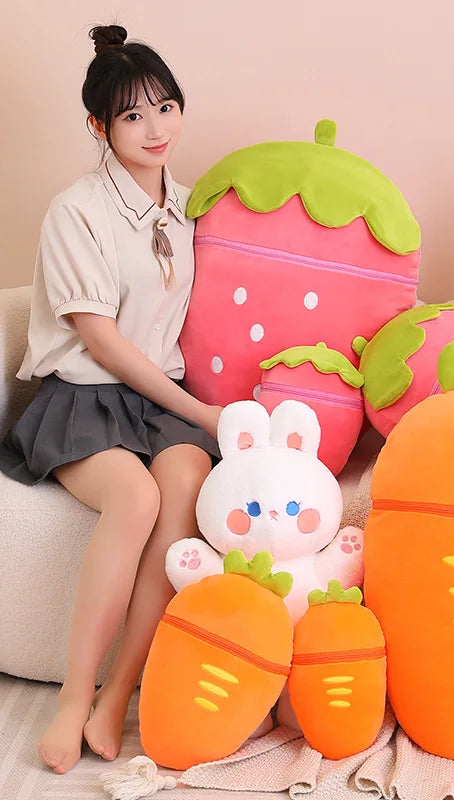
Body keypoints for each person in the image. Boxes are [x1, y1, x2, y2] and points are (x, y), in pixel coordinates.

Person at [0, 24, 222, 774]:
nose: (155, 129)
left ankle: (120, 691)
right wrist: (201, 413)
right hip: (86, 397)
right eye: (132, 116)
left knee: (186, 484)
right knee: (135, 497)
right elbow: (103, 344)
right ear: (99, 126)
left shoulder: (192, 209)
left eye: (165, 107)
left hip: (160, 401)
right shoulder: (77, 211)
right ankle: (73, 699)